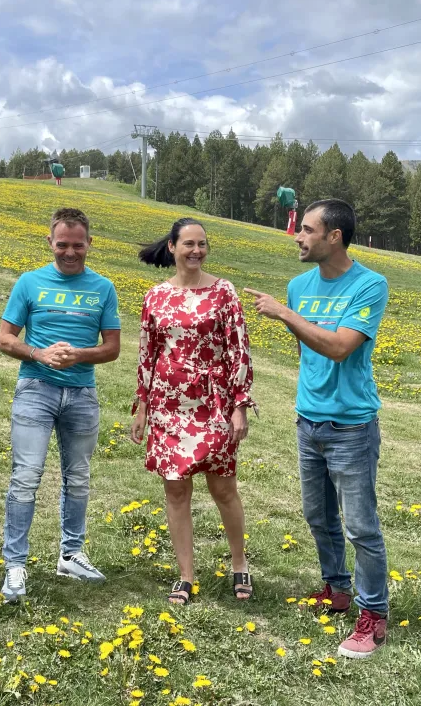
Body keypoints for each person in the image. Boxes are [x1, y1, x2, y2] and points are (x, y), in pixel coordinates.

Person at [245, 198, 390, 659]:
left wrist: (285, 314)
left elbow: (340, 348)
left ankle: (373, 616)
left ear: (334, 237)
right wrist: (292, 313)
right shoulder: (298, 285)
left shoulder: (370, 285)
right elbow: (309, 344)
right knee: (319, 517)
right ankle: (336, 589)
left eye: (307, 230)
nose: (298, 236)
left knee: (361, 527)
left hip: (351, 426)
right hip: (308, 421)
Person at [0, 207, 121, 603]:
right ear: (50, 242)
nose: (70, 252)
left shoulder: (103, 287)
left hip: (82, 394)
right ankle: (15, 565)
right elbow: (4, 339)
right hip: (36, 389)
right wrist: (39, 354)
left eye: (78, 245)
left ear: (89, 244)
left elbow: (112, 348)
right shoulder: (30, 283)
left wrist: (77, 355)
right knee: (26, 477)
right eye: (62, 245)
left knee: (78, 477)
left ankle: (71, 554)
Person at [130, 218, 256, 605]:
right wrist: (142, 407)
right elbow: (147, 354)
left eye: (202, 244)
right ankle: (186, 575)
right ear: (172, 247)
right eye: (188, 243)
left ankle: (239, 563)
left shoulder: (223, 292)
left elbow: (238, 350)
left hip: (213, 403)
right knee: (176, 490)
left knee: (223, 487)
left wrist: (239, 406)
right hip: (168, 405)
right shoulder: (155, 296)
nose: (196, 250)